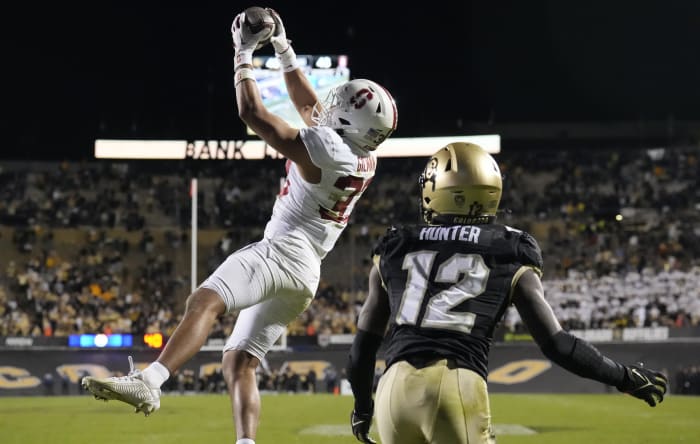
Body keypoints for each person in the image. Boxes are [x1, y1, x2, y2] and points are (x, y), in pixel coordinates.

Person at [82, 7, 397, 444]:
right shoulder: (365, 155)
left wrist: (244, 51)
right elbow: (311, 107)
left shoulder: (328, 148)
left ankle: (151, 381)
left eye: (339, 106)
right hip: (306, 273)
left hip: (282, 253)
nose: (329, 107)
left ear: (347, 123)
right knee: (239, 362)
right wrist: (284, 48)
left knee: (205, 299)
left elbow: (254, 114)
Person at [346, 142, 668, 444]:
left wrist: (362, 407)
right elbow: (557, 344)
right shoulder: (508, 248)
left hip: (392, 390)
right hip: (455, 381)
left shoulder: (397, 244)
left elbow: (362, 348)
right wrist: (624, 377)